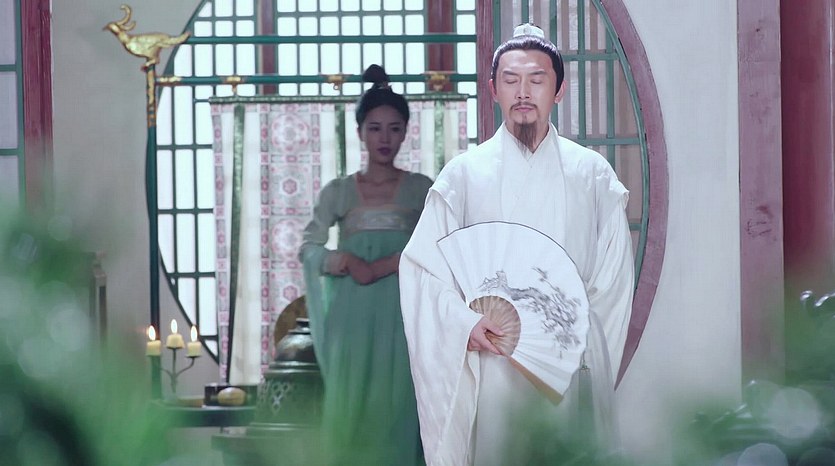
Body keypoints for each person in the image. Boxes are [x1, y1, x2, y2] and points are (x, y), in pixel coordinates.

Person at [399, 23, 634, 465]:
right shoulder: (463, 175)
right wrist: (463, 324)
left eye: (537, 80)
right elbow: (423, 270)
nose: (523, 92)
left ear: (559, 90)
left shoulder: (592, 175)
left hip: (565, 364)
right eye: (510, 80)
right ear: (493, 89)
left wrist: (580, 343)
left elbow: (612, 280)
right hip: (493, 359)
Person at [299, 64, 433, 464]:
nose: (384, 138)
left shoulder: (422, 189)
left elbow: (443, 247)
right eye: (375, 128)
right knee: (350, 407)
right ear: (360, 132)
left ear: (406, 132)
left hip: (402, 315)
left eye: (394, 128)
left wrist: (391, 262)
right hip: (352, 316)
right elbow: (308, 247)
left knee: (400, 404)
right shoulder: (339, 192)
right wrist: (341, 259)